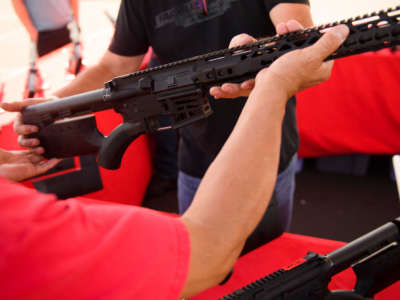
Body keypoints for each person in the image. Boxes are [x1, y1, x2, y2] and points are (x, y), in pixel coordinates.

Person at [0, 24, 349, 299]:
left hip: (270, 157)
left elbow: (299, 33)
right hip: (199, 164)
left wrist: (54, 103)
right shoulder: (15, 230)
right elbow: (206, 250)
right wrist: (274, 85)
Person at [15, 1, 318, 237]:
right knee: (204, 273)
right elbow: (115, 65)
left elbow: (306, 49)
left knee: (271, 268)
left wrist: (258, 57)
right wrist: (54, 105)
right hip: (197, 163)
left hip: (270, 156)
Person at [11, 0, 79, 57]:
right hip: (43, 34)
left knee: (77, 69)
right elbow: (17, 2)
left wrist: (75, 21)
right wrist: (33, 33)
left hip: (68, 29)